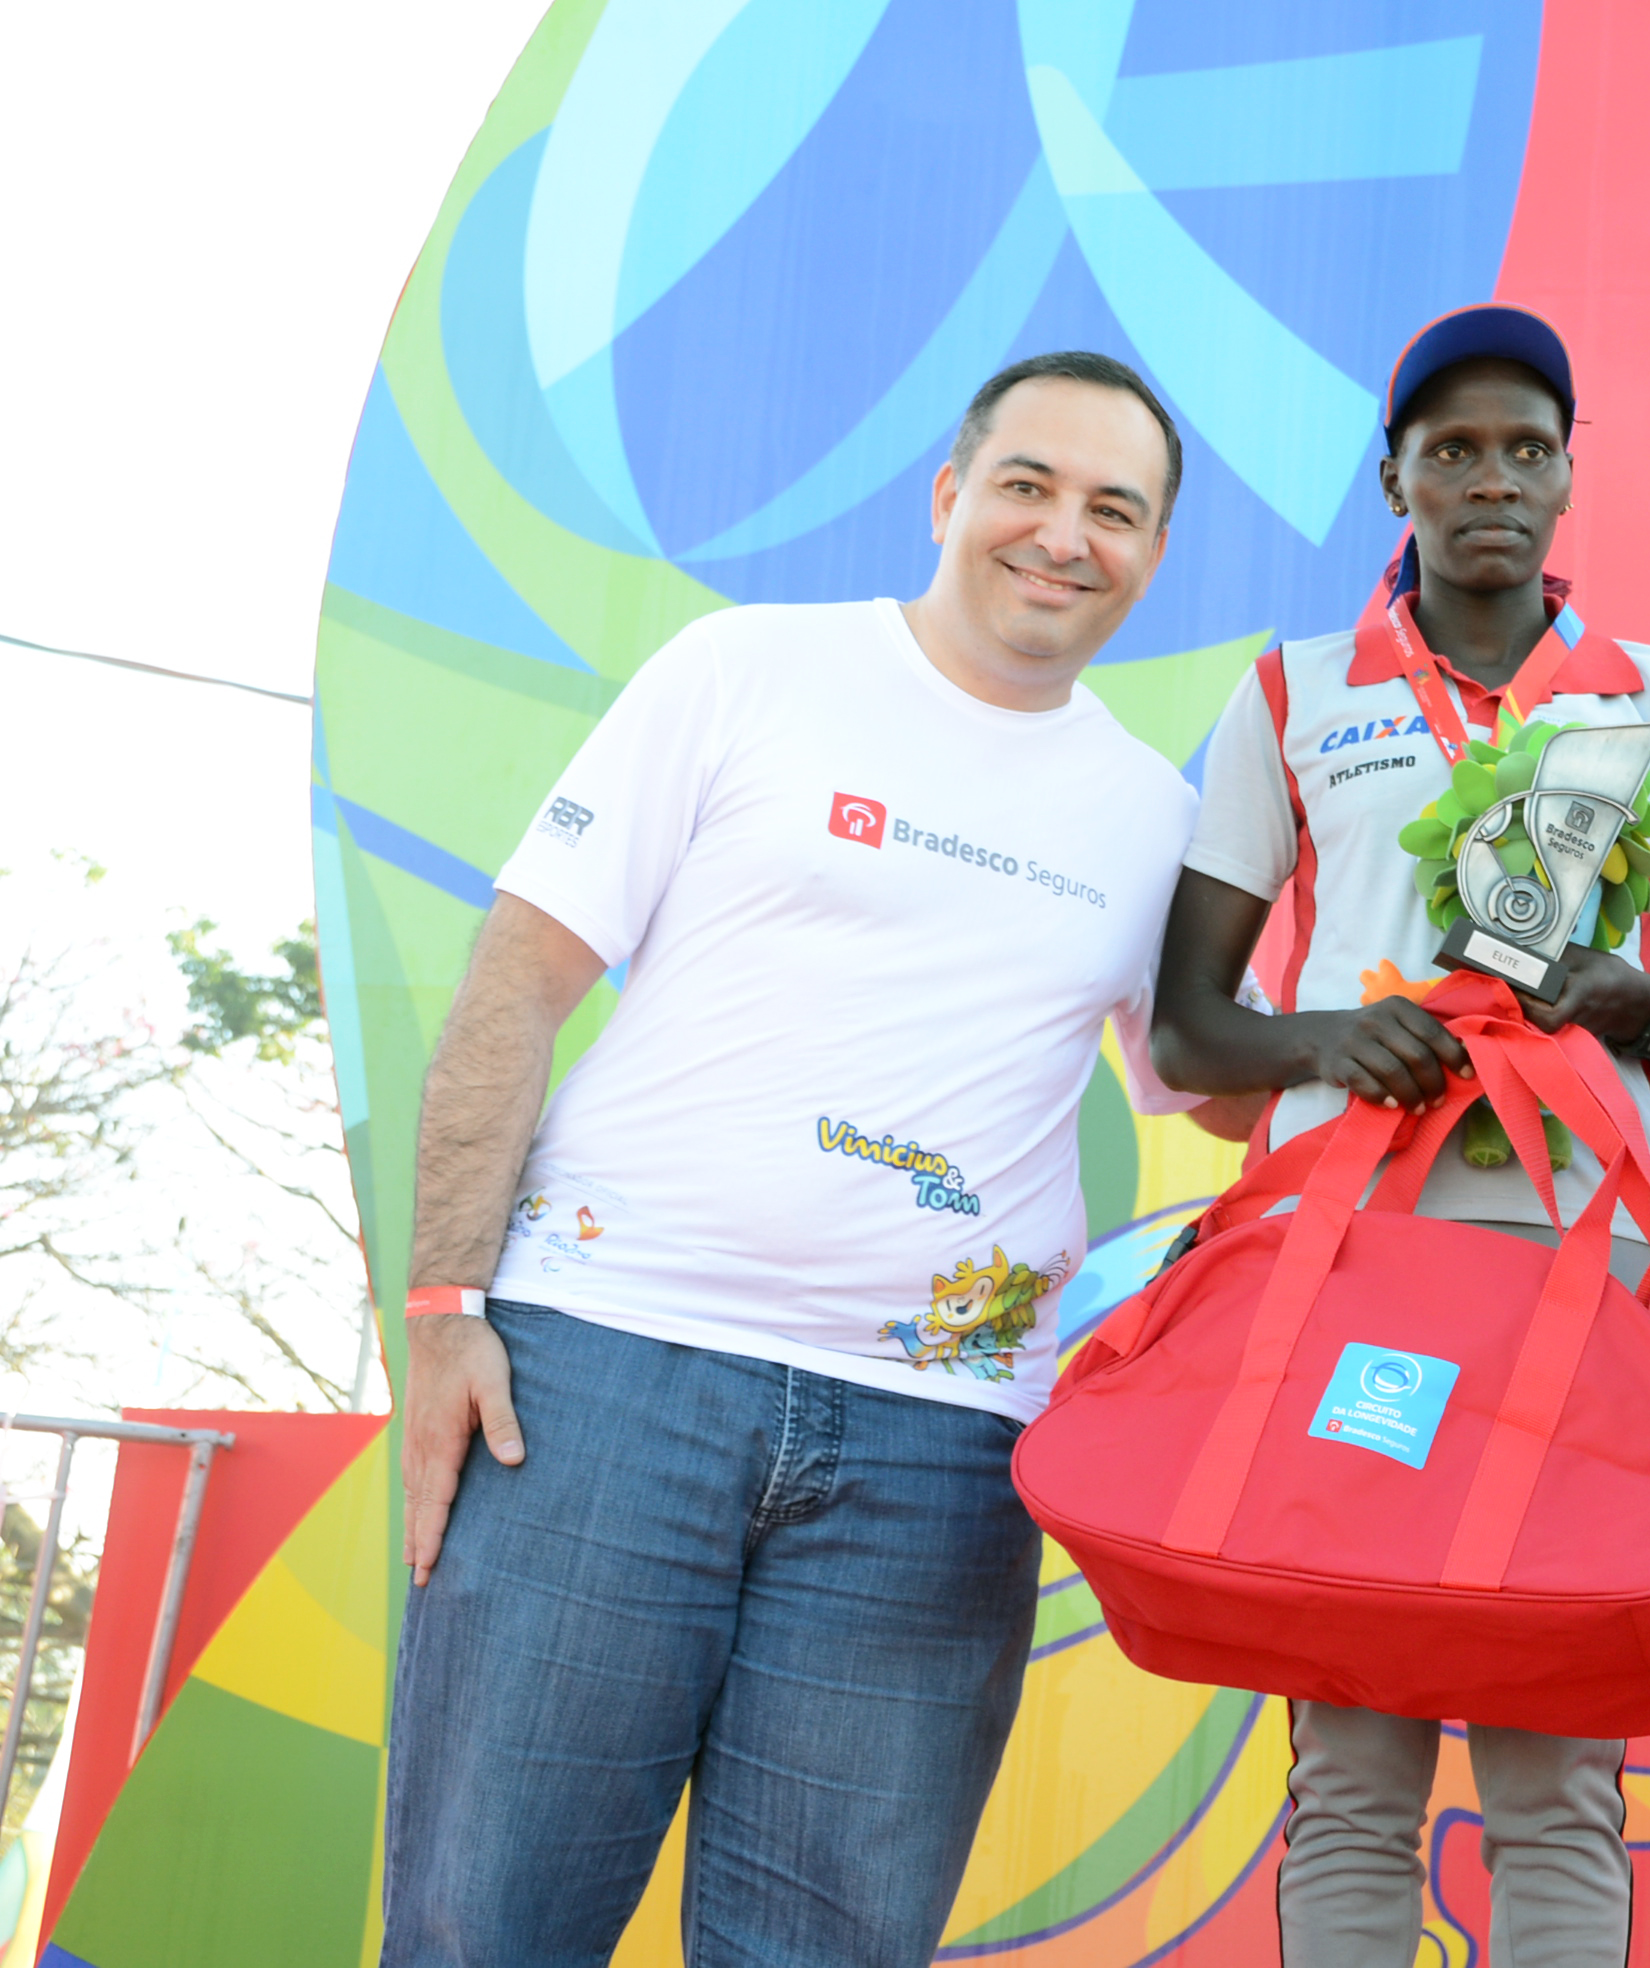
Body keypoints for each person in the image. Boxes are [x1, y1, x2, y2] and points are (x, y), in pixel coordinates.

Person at [385, 351, 1242, 1967]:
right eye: (1029, 486)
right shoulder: (745, 672)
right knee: (484, 1932)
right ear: (949, 494)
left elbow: (1227, 1093)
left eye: (1115, 510)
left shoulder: (1156, 817)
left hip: (938, 1459)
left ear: (1153, 553)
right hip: (603, 1383)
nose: (1065, 535)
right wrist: (443, 1307)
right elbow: (515, 984)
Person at [1150, 303, 1650, 1968]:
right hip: (1347, 1252)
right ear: (1396, 480)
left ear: (1570, 476)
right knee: (1351, 1757)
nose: (1492, 478)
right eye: (1454, 450)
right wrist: (1325, 1038)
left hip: (1574, 1261)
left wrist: (1637, 1004)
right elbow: (1188, 1028)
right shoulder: (1294, 695)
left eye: (1526, 448)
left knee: (1555, 1760)